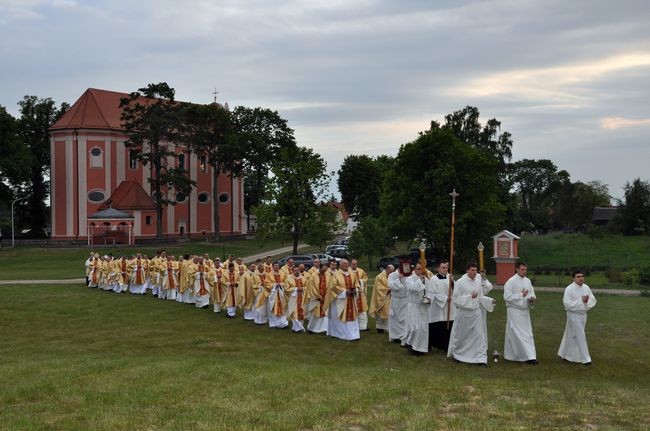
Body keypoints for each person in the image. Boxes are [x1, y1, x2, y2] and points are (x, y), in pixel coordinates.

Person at [447, 262, 496, 365]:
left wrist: (489, 300)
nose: (474, 272)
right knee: (463, 336)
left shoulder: (478, 282)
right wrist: (469, 297)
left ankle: (481, 358)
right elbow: (456, 299)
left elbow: (480, 296)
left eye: (475, 270)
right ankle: (459, 355)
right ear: (467, 270)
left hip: (476, 313)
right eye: (472, 270)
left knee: (479, 335)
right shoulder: (460, 282)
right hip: (464, 314)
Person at [558, 270, 597, 365]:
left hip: (583, 314)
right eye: (578, 276)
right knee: (580, 335)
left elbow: (592, 298)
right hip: (573, 315)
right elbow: (567, 304)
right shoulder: (569, 289)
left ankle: (565, 354)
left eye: (582, 276)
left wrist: (586, 301)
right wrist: (581, 301)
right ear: (573, 278)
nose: (580, 278)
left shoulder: (586, 287)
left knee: (571, 334)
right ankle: (586, 359)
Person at [503, 262, 538, 364]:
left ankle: (528, 355)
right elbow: (507, 297)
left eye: (525, 269)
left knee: (527, 334)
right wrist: (520, 295)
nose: (524, 272)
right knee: (517, 333)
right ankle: (527, 357)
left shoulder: (527, 281)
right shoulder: (510, 282)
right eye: (522, 269)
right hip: (514, 311)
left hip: (524, 312)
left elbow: (532, 293)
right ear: (517, 269)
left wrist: (531, 299)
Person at [324, 259, 360, 341]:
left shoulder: (352, 274)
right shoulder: (336, 275)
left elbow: (356, 283)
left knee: (352, 317)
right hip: (340, 300)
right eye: (344, 264)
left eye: (347, 264)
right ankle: (340, 334)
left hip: (351, 299)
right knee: (339, 317)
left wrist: (356, 290)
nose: (346, 265)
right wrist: (344, 291)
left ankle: (353, 334)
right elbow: (333, 286)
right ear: (340, 265)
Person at [403, 263, 435, 355]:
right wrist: (420, 280)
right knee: (414, 328)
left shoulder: (426, 279)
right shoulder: (409, 279)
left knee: (423, 328)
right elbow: (412, 289)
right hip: (413, 306)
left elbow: (430, 290)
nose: (420, 271)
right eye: (418, 269)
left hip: (423, 306)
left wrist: (429, 298)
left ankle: (419, 348)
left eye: (421, 269)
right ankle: (410, 344)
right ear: (414, 269)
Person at [429, 260, 456, 351]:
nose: (445, 269)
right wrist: (445, 298)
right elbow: (433, 293)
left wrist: (452, 283)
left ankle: (448, 345)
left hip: (450, 305)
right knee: (439, 325)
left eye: (446, 267)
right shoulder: (433, 279)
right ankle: (438, 344)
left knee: (449, 325)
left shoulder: (450, 277)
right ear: (438, 268)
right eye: (443, 267)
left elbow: (456, 289)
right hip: (439, 306)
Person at [304, 263, 331, 334]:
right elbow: (311, 288)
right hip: (315, 299)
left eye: (325, 270)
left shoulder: (328, 275)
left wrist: (326, 296)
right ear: (320, 268)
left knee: (325, 314)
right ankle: (311, 328)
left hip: (325, 298)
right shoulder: (313, 276)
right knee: (314, 314)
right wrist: (319, 297)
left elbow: (330, 286)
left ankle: (324, 329)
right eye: (323, 270)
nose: (324, 272)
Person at [263, 263, 289, 329]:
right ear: (273, 267)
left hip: (281, 294)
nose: (276, 267)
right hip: (273, 294)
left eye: (277, 266)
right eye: (275, 266)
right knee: (272, 308)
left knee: (283, 307)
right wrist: (275, 285)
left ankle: (283, 324)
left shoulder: (283, 274)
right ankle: (273, 324)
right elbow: (266, 283)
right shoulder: (269, 274)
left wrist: (280, 284)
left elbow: (286, 282)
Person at [369, 265, 393, 334]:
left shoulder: (390, 276)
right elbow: (378, 288)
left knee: (388, 312)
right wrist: (388, 290)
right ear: (387, 269)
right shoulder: (379, 277)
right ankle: (379, 327)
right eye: (391, 271)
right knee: (381, 312)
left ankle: (387, 327)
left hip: (389, 297)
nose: (392, 273)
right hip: (381, 297)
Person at [388, 266, 408, 344]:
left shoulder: (408, 274)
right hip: (396, 299)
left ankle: (404, 335)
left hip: (405, 299)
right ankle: (395, 336)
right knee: (395, 317)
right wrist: (399, 279)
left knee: (404, 318)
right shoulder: (392, 275)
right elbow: (390, 286)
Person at [285, 266, 307, 332]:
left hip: (302, 297)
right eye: (295, 270)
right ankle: (299, 328)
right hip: (293, 298)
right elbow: (286, 289)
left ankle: (297, 328)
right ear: (292, 271)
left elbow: (307, 287)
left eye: (298, 270)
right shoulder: (289, 279)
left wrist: (302, 289)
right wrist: (296, 289)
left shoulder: (304, 278)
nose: (296, 271)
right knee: (294, 312)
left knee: (301, 311)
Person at [350, 259, 369, 331]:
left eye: (356, 264)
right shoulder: (348, 271)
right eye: (353, 264)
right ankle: (354, 326)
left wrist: (360, 282)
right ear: (350, 264)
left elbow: (365, 278)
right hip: (353, 294)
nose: (355, 265)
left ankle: (363, 327)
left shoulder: (361, 271)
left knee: (362, 310)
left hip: (361, 294)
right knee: (354, 309)